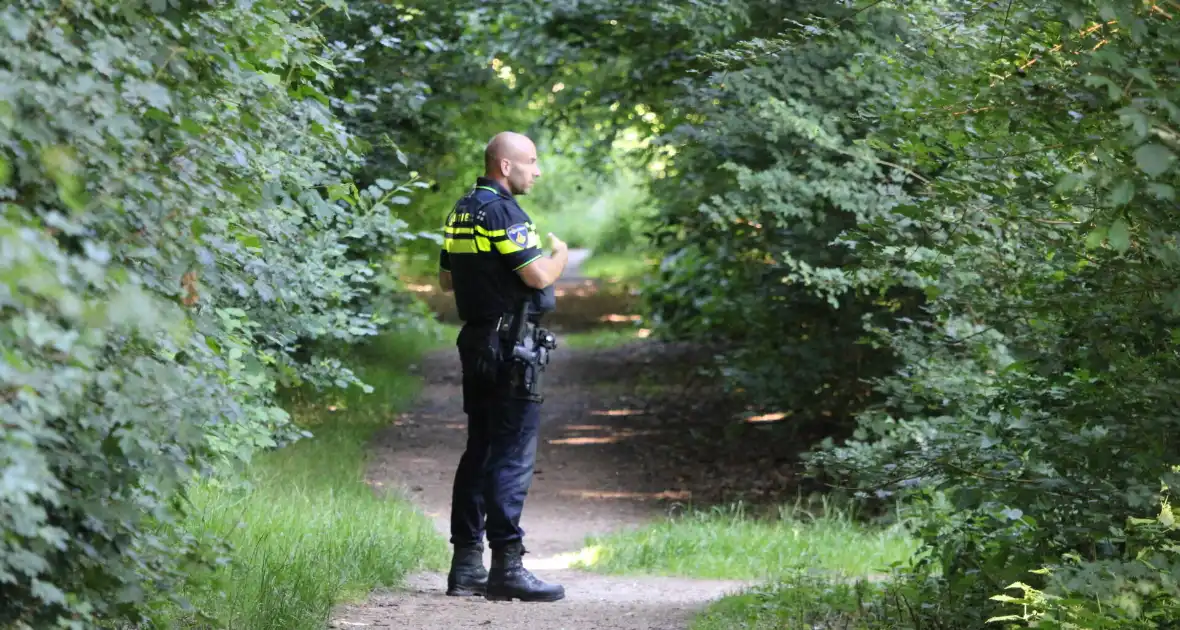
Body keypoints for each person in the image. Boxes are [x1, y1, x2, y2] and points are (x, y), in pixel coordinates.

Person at [436, 131, 569, 602]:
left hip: (475, 340)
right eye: (531, 161)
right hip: (512, 343)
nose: (537, 170)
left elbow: (447, 279)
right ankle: (507, 567)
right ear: (506, 166)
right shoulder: (505, 211)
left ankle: (466, 566)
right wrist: (560, 257)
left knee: (481, 450)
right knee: (512, 454)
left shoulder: (460, 210)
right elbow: (535, 275)